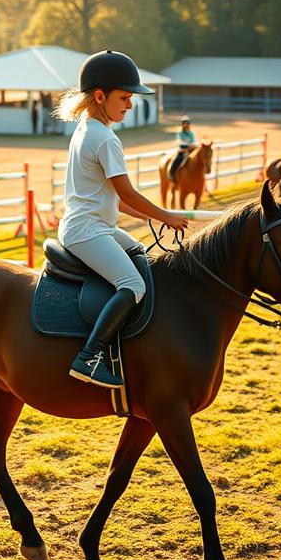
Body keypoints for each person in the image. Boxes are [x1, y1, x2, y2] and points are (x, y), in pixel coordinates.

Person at [56, 49, 189, 388]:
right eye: (125, 97)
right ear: (100, 96)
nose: (130, 104)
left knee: (141, 256)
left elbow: (115, 199)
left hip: (91, 224)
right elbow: (127, 194)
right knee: (133, 284)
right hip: (88, 231)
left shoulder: (87, 128)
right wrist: (166, 216)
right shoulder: (104, 138)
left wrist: (149, 215)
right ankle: (90, 357)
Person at [167, 116, 197, 182]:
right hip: (183, 149)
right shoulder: (180, 133)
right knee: (178, 159)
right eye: (185, 123)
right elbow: (182, 142)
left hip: (191, 148)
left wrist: (193, 146)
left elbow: (193, 141)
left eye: (187, 123)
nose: (186, 125)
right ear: (182, 124)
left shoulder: (191, 133)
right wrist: (189, 146)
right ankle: (171, 172)